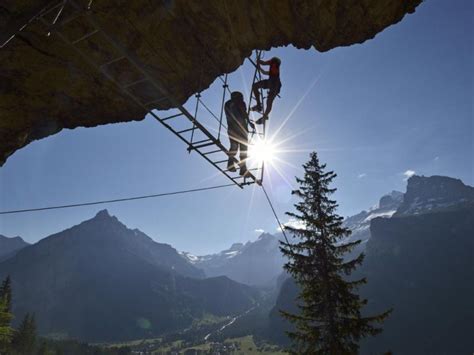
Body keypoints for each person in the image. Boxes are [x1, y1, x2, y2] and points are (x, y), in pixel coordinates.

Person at [224, 91, 255, 176]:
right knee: (243, 148)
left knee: (233, 146)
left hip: (231, 128)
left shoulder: (227, 104)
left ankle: (230, 164)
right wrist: (249, 122)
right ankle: (243, 168)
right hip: (241, 128)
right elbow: (244, 113)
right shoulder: (240, 102)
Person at [251, 56, 282, 124]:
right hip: (270, 83)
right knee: (255, 86)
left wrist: (259, 62)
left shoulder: (275, 69)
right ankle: (259, 105)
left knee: (269, 101)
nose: (272, 65)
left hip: (275, 86)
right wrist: (259, 62)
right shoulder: (273, 66)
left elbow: (264, 65)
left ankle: (264, 116)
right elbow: (264, 70)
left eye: (274, 64)